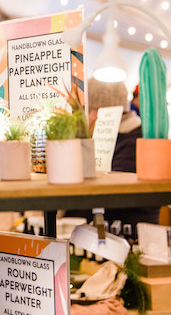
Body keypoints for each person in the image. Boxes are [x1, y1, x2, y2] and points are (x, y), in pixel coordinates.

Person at [66, 77, 158, 236]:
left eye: (88, 109)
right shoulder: (124, 135)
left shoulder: (135, 138)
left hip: (130, 238)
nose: (85, 116)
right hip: (106, 235)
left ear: (102, 110)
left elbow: (113, 194)